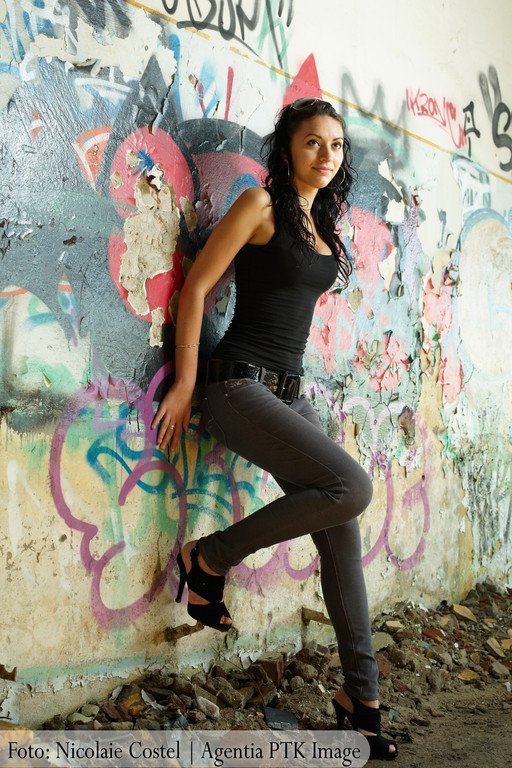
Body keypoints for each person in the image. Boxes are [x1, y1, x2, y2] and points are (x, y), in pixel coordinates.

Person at [152, 97, 398, 760]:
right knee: (352, 487)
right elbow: (197, 288)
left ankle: (362, 705)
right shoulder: (259, 206)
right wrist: (185, 382)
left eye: (336, 145)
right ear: (287, 147)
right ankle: (210, 557)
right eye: (313, 142)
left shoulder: (323, 225)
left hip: (291, 394)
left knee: (342, 535)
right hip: (237, 386)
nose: (326, 155)